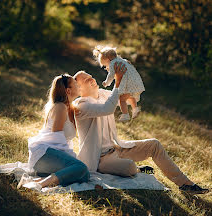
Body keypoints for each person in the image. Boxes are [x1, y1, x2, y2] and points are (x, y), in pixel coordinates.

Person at [73, 68, 209, 195]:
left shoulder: (102, 93)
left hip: (117, 148)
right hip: (100, 159)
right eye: (86, 80)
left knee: (154, 145)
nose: (92, 79)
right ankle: (137, 169)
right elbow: (106, 109)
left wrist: (126, 75)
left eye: (90, 77)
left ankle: (185, 184)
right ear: (79, 89)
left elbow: (122, 97)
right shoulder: (82, 105)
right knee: (130, 167)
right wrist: (118, 81)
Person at [18, 74, 90, 190]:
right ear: (68, 90)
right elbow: (56, 139)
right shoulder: (60, 107)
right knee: (80, 168)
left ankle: (34, 180)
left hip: (55, 152)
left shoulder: (71, 108)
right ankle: (38, 185)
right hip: (44, 154)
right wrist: (70, 158)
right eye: (75, 84)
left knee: (84, 174)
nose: (79, 86)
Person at [93, 45, 145, 122]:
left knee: (122, 99)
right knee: (130, 97)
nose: (106, 66)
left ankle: (125, 115)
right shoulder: (122, 60)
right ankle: (135, 109)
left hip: (128, 85)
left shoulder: (112, 64)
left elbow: (111, 75)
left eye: (105, 64)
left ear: (107, 60)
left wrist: (107, 83)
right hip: (135, 83)